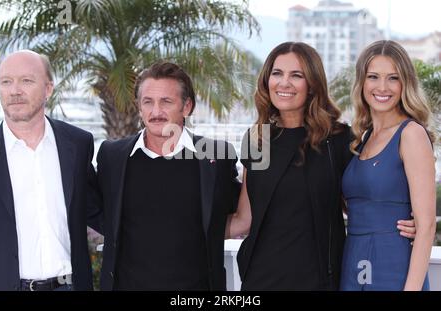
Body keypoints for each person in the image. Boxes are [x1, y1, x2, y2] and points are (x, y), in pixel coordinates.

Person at [226, 42, 417, 290]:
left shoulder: (339, 139)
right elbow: (244, 219)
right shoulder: (256, 139)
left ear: (313, 84)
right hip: (261, 278)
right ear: (266, 80)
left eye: (297, 75)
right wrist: (182, 228)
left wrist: (406, 222)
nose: (284, 83)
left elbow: (361, 201)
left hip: (319, 280)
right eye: (277, 73)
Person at [97, 61, 240, 290]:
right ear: (139, 107)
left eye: (166, 102)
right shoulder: (112, 157)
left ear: (186, 107)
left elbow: (237, 212)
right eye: (148, 102)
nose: (156, 112)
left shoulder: (216, 158)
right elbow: (97, 212)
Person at [0, 50, 102, 291]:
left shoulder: (78, 144)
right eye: (6, 81)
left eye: (27, 80)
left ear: (48, 88)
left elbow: (97, 210)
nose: (15, 90)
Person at [340, 40, 436, 291]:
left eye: (393, 78)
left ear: (405, 84)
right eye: (373, 77)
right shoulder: (362, 138)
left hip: (392, 264)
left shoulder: (411, 134)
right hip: (354, 260)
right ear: (362, 83)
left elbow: (426, 226)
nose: (382, 87)